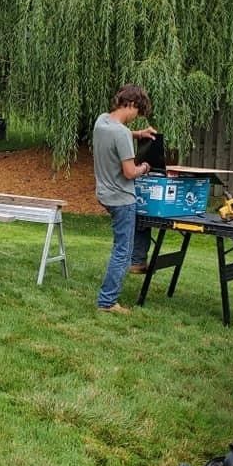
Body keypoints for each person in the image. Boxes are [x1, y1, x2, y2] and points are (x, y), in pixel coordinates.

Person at [94, 84, 157, 314]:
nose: (136, 117)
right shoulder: (120, 133)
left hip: (104, 194)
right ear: (130, 105)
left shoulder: (101, 121)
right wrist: (145, 167)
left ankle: (110, 297)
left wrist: (137, 134)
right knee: (123, 250)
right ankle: (107, 302)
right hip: (122, 198)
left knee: (124, 243)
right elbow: (129, 172)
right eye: (137, 112)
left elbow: (117, 133)